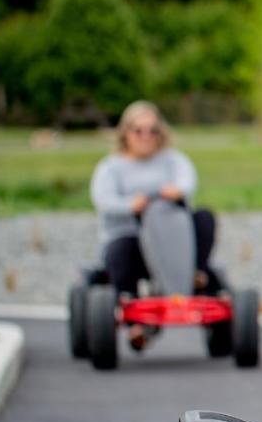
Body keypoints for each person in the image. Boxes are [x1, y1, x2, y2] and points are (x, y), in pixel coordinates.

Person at [89, 100, 216, 350]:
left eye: (152, 131)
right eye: (139, 131)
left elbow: (187, 182)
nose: (146, 136)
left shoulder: (173, 160)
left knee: (204, 218)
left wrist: (175, 192)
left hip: (172, 239)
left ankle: (194, 274)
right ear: (126, 133)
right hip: (132, 239)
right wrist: (130, 205)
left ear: (161, 133)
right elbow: (103, 200)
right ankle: (135, 318)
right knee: (119, 250)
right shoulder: (111, 168)